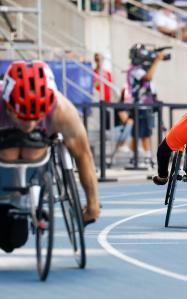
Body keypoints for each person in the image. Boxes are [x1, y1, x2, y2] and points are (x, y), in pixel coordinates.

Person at [0, 61, 101, 253]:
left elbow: (83, 156)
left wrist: (92, 204)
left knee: (13, 241)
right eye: (22, 117)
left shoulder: (62, 111)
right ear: (8, 105)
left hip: (34, 170)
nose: (29, 125)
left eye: (36, 118)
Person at [127, 44, 165, 168]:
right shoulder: (134, 69)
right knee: (142, 133)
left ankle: (141, 156)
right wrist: (157, 61)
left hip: (147, 105)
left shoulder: (141, 68)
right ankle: (144, 156)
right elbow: (148, 77)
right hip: (140, 105)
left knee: (144, 132)